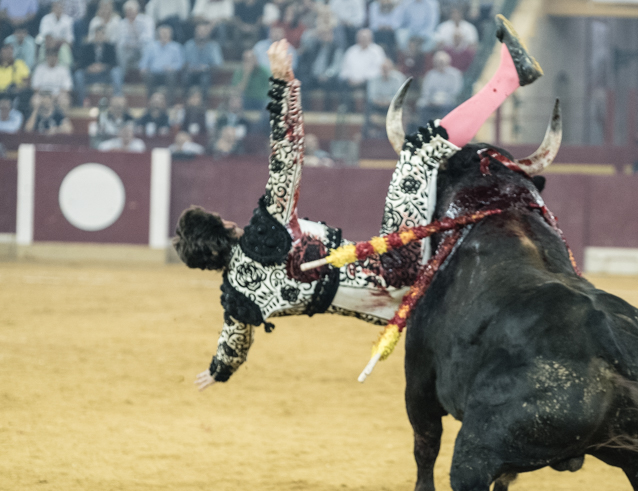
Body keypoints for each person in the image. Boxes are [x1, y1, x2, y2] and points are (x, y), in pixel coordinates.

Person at [173, 16, 544, 389]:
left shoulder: (237, 297)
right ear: (224, 227)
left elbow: (234, 344)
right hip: (397, 267)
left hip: (398, 313)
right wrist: (283, 83)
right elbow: (287, 152)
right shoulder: (267, 230)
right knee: (419, 151)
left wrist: (218, 371)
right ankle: (508, 78)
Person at [73, 25, 122, 105]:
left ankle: (117, 101)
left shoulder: (110, 47)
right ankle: (81, 102)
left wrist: (104, 66)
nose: (99, 36)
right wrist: (89, 68)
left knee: (117, 72)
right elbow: (80, 63)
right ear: (94, 35)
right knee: (78, 75)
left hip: (105, 74)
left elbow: (114, 62)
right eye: (97, 34)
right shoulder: (86, 47)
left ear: (104, 35)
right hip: (89, 75)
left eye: (102, 34)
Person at [140, 25, 183, 103]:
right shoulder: (151, 46)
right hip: (154, 73)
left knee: (171, 76)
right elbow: (143, 62)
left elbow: (180, 63)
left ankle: (170, 103)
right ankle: (151, 102)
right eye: (162, 33)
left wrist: (172, 67)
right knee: (148, 75)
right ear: (159, 34)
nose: (164, 35)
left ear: (171, 34)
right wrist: (143, 68)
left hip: (168, 73)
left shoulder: (176, 47)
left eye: (166, 33)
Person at [416, 49, 461, 124]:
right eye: (437, 62)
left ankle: (445, 131)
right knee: (422, 108)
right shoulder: (430, 75)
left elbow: (456, 92)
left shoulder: (455, 75)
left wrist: (443, 101)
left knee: (447, 110)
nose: (440, 65)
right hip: (432, 103)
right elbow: (425, 91)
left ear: (448, 63)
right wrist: (430, 101)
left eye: (442, 62)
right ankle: (426, 132)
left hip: (448, 103)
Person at [182, 22, 223, 99]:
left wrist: (206, 67)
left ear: (208, 33)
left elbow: (218, 64)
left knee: (204, 80)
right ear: (195, 33)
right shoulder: (188, 45)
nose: (201, 33)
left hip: (206, 73)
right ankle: (187, 102)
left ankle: (203, 104)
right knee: (185, 78)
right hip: (191, 72)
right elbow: (183, 63)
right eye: (199, 31)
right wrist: (190, 67)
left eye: (204, 31)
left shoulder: (214, 46)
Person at [365, 57, 404, 136]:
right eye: (383, 69)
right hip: (377, 106)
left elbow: (399, 97)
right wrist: (381, 102)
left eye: (387, 68)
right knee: (367, 107)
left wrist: (387, 101)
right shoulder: (374, 79)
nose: (385, 71)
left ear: (392, 68)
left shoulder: (399, 78)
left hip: (392, 106)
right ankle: (368, 137)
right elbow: (371, 96)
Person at [116, 0, 153, 71]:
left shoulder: (146, 20)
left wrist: (135, 31)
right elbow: (121, 40)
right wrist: (127, 44)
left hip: (142, 47)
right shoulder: (122, 23)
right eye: (127, 11)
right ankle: (123, 73)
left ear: (137, 10)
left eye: (131, 11)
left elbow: (148, 38)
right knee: (120, 49)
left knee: (147, 47)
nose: (130, 13)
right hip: (129, 50)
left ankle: (144, 71)